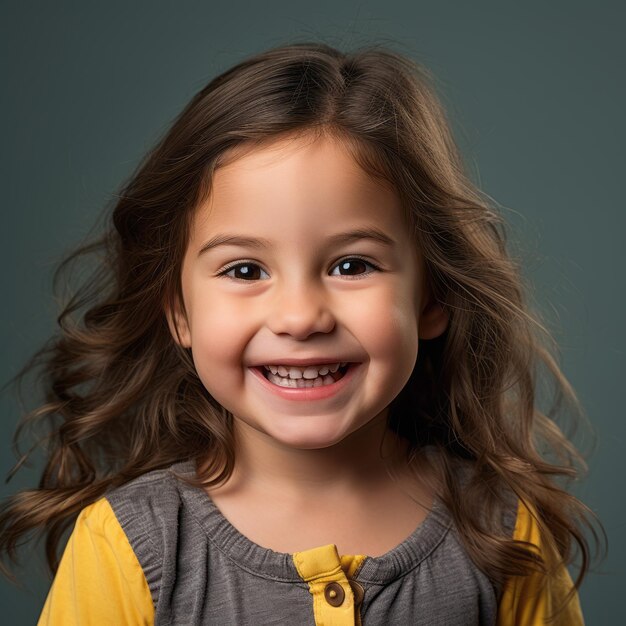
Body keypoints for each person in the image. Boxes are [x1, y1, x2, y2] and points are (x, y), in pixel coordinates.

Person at [0, 42, 602, 625]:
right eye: (245, 270)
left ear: (431, 297)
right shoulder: (127, 545)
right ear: (179, 312)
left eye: (352, 265)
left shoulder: (504, 533)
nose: (299, 316)